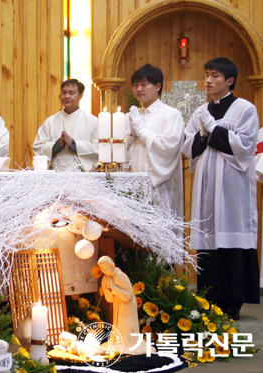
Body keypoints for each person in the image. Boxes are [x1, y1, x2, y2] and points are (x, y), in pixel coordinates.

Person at [183, 57, 260, 320]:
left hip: (233, 188)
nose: (208, 80)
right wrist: (204, 134)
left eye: (214, 76)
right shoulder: (200, 111)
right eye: (206, 75)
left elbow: (245, 146)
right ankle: (210, 297)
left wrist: (213, 128)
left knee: (232, 239)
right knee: (209, 239)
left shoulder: (245, 109)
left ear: (229, 81)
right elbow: (188, 145)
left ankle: (234, 301)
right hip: (206, 186)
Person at [126, 64, 185, 218]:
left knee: (160, 228)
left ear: (158, 86)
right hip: (134, 184)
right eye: (136, 85)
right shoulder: (133, 115)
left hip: (160, 187)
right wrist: (130, 135)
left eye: (144, 85)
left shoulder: (171, 114)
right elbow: (121, 151)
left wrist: (142, 132)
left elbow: (169, 147)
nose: (139, 89)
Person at [32, 79, 98, 171]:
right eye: (64, 93)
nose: (67, 96)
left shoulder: (93, 121)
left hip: (81, 175)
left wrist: (75, 145)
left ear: (80, 96)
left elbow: (99, 148)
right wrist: (57, 145)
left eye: (71, 93)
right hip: (55, 173)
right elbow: (38, 147)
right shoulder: (50, 121)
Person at [98, 256, 153, 355]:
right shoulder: (105, 279)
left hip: (127, 307)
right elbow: (109, 299)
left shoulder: (120, 276)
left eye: (105, 268)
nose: (104, 271)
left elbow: (127, 296)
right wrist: (108, 290)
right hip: (117, 306)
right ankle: (117, 343)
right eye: (102, 269)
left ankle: (128, 344)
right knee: (118, 325)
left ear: (112, 265)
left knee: (126, 326)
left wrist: (114, 288)